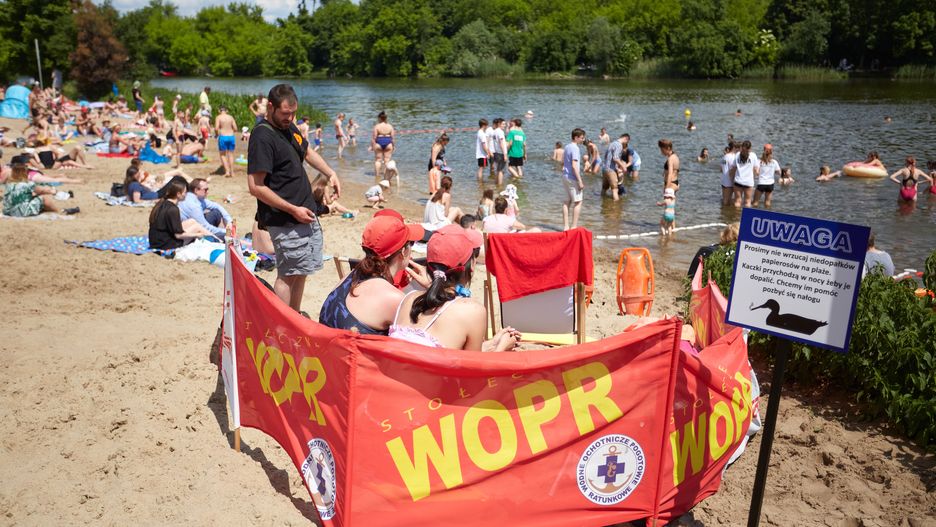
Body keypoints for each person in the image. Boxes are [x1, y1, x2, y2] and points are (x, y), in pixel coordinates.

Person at [247, 84, 341, 312]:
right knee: (288, 274)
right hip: (285, 218)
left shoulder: (290, 128)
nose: (290, 118)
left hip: (305, 214)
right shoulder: (262, 136)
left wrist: (331, 173)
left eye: (293, 113)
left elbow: (307, 152)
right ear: (271, 107)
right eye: (285, 113)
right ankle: (281, 323)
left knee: (301, 271)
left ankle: (293, 316)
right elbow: (255, 187)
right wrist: (292, 209)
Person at [388, 224, 520, 351]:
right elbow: (473, 368)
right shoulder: (472, 311)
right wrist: (502, 347)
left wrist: (492, 344)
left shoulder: (408, 299)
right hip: (437, 373)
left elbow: (444, 347)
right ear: (472, 266)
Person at [319, 214, 427, 335]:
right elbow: (424, 338)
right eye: (411, 243)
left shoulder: (354, 274)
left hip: (324, 349)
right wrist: (430, 288)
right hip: (353, 353)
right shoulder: (394, 298)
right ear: (403, 251)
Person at [148, 179, 212, 251]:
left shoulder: (163, 203)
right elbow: (178, 235)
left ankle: (214, 238)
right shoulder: (173, 209)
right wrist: (197, 235)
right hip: (165, 244)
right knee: (196, 228)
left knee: (192, 221)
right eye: (185, 192)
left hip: (155, 241)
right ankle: (216, 241)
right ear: (178, 194)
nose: (186, 194)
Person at [3, 163, 77, 217]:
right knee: (44, 198)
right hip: (21, 212)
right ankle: (60, 212)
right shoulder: (28, 184)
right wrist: (53, 191)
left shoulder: (8, 184)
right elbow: (43, 191)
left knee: (34, 198)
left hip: (8, 211)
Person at [561, 128, 586, 231]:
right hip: (572, 177)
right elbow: (575, 166)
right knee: (578, 201)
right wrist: (580, 180)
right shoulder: (575, 148)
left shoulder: (567, 147)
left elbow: (562, 162)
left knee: (566, 202)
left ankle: (566, 227)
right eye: (581, 138)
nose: (583, 140)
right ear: (576, 137)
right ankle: (574, 227)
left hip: (565, 176)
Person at [730, 140, 758, 207]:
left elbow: (734, 168)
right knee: (747, 202)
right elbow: (756, 170)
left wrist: (731, 178)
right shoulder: (753, 155)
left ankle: (736, 217)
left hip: (738, 181)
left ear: (742, 147)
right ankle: (746, 217)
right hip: (748, 182)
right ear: (750, 148)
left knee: (737, 201)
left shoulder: (737, 155)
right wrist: (753, 178)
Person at [214, 106, 238, 178]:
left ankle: (227, 171)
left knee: (223, 155)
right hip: (231, 136)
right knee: (231, 155)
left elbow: (216, 128)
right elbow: (236, 128)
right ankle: (232, 172)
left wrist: (216, 134)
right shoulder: (231, 117)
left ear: (219, 111)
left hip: (223, 136)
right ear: (226, 111)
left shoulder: (218, 117)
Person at [372, 111, 395, 181]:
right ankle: (386, 176)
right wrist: (394, 146)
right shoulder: (390, 126)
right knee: (387, 160)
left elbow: (374, 137)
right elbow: (393, 138)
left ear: (379, 118)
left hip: (379, 141)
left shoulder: (377, 126)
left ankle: (377, 176)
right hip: (388, 142)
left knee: (378, 160)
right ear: (386, 118)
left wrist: (372, 146)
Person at [491, 119, 507, 185]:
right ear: (499, 124)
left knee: (498, 169)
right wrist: (505, 154)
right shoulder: (500, 132)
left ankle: (496, 183)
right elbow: (501, 143)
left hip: (496, 152)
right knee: (501, 170)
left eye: (505, 124)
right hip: (501, 153)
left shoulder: (495, 131)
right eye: (503, 124)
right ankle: (500, 186)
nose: (504, 125)